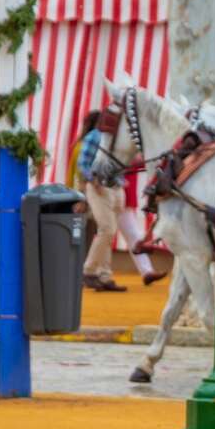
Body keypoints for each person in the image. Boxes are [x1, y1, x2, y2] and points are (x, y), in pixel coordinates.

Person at [76, 109, 164, 292]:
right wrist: (92, 179)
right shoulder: (95, 136)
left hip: (116, 187)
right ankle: (89, 270)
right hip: (101, 187)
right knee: (107, 229)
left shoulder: (115, 139)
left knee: (109, 231)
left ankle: (104, 275)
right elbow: (82, 163)